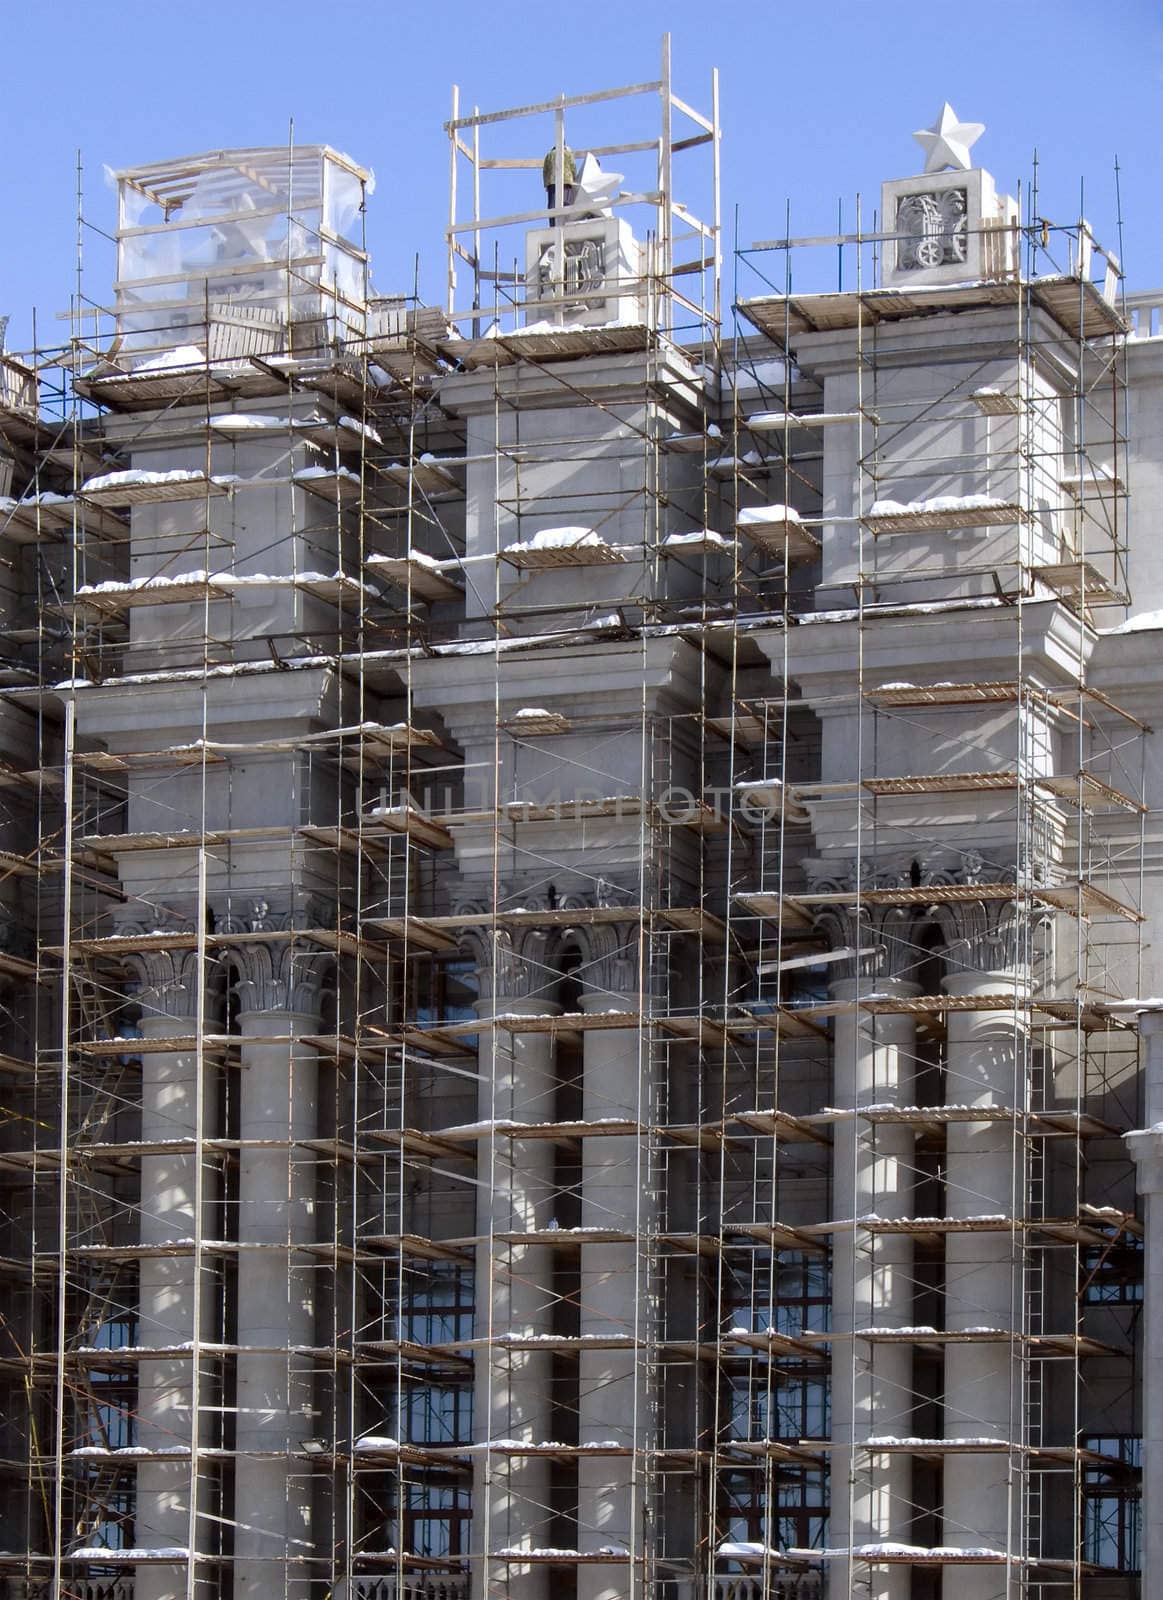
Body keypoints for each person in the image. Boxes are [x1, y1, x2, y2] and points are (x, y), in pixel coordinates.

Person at [543, 145, 577, 227]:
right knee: (565, 202)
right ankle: (565, 222)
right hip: (566, 180)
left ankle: (552, 224)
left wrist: (546, 184)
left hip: (552, 182)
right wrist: (574, 180)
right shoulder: (568, 154)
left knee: (552, 204)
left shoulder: (549, 155)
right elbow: (573, 168)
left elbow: (545, 170)